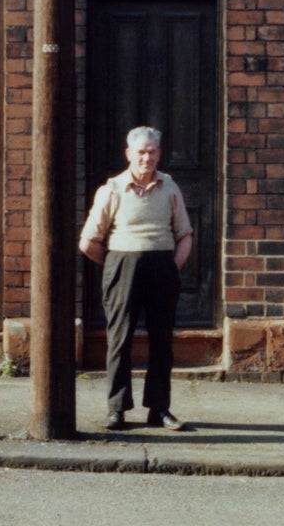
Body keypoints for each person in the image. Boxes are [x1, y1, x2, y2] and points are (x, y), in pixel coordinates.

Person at [78, 125, 194, 431]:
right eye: (141, 152)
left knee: (161, 341)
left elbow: (184, 235)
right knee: (119, 340)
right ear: (129, 154)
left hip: (162, 268)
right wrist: (116, 264)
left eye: (152, 151)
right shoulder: (112, 190)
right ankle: (117, 409)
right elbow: (88, 242)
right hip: (122, 267)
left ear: (159, 153)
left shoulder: (170, 187)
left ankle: (159, 409)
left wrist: (172, 267)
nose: (147, 157)